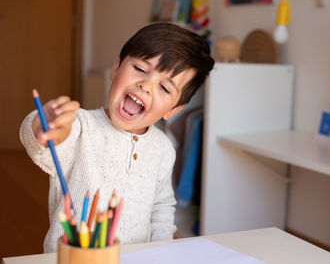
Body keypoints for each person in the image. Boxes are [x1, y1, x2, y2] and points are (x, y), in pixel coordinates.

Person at [19, 22, 214, 253]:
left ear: (174, 110)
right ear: (116, 67)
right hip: (72, 257)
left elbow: (161, 207)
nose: (146, 86)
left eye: (164, 88)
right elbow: (41, 144)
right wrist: (44, 125)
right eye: (141, 69)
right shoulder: (81, 126)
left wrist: (162, 250)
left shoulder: (163, 149)